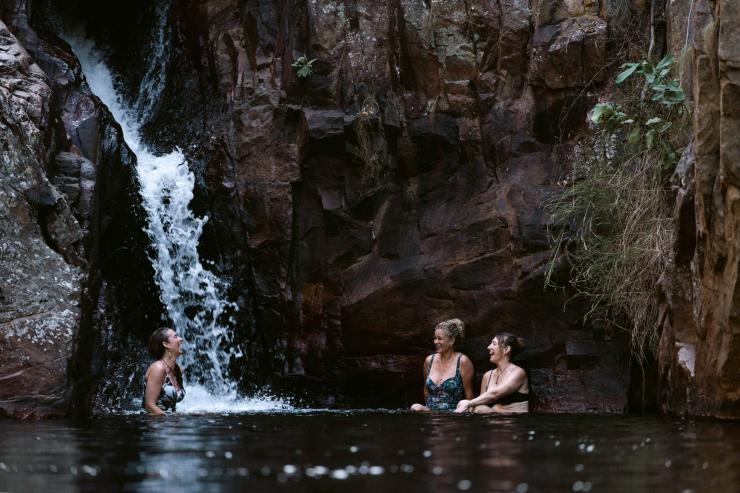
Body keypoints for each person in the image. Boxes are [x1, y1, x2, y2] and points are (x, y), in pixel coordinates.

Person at [454, 332, 529, 414]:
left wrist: (468, 404)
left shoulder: (518, 373)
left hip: (515, 421)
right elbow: (482, 401)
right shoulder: (488, 375)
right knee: (465, 403)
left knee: (471, 406)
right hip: (494, 420)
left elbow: (494, 394)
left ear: (506, 350)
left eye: (494, 344)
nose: (488, 347)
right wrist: (466, 404)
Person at [410, 318, 474, 411]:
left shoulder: (462, 361)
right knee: (415, 407)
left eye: (439, 339)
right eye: (434, 338)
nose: (436, 342)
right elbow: (426, 390)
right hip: (431, 412)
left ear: (452, 340)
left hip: (454, 413)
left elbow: (469, 395)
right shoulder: (429, 360)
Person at [143, 327, 185, 415]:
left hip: (171, 424)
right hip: (156, 424)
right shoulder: (158, 368)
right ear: (166, 344)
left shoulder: (177, 369)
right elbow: (149, 406)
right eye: (176, 337)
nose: (181, 339)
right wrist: (167, 422)